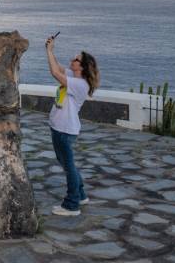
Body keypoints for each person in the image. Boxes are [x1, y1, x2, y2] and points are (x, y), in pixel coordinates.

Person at [45, 35, 100, 216]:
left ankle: (71, 205)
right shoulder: (72, 76)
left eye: (76, 59)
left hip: (65, 130)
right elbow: (57, 68)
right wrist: (50, 50)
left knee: (69, 167)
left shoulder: (80, 84)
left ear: (82, 67)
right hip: (59, 127)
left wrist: (49, 50)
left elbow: (54, 73)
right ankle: (81, 195)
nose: (72, 60)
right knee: (69, 165)